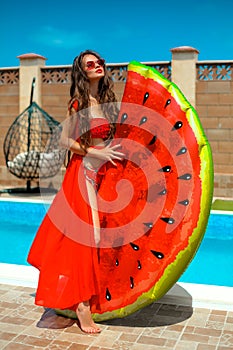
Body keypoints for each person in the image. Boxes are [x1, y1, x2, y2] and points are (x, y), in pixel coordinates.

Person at [27, 50, 124, 334]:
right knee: (88, 238)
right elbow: (65, 139)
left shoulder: (106, 103)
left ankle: (86, 300)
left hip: (105, 178)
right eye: (90, 65)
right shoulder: (78, 102)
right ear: (82, 72)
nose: (98, 67)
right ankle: (82, 308)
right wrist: (95, 150)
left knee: (97, 238)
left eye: (100, 62)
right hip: (83, 176)